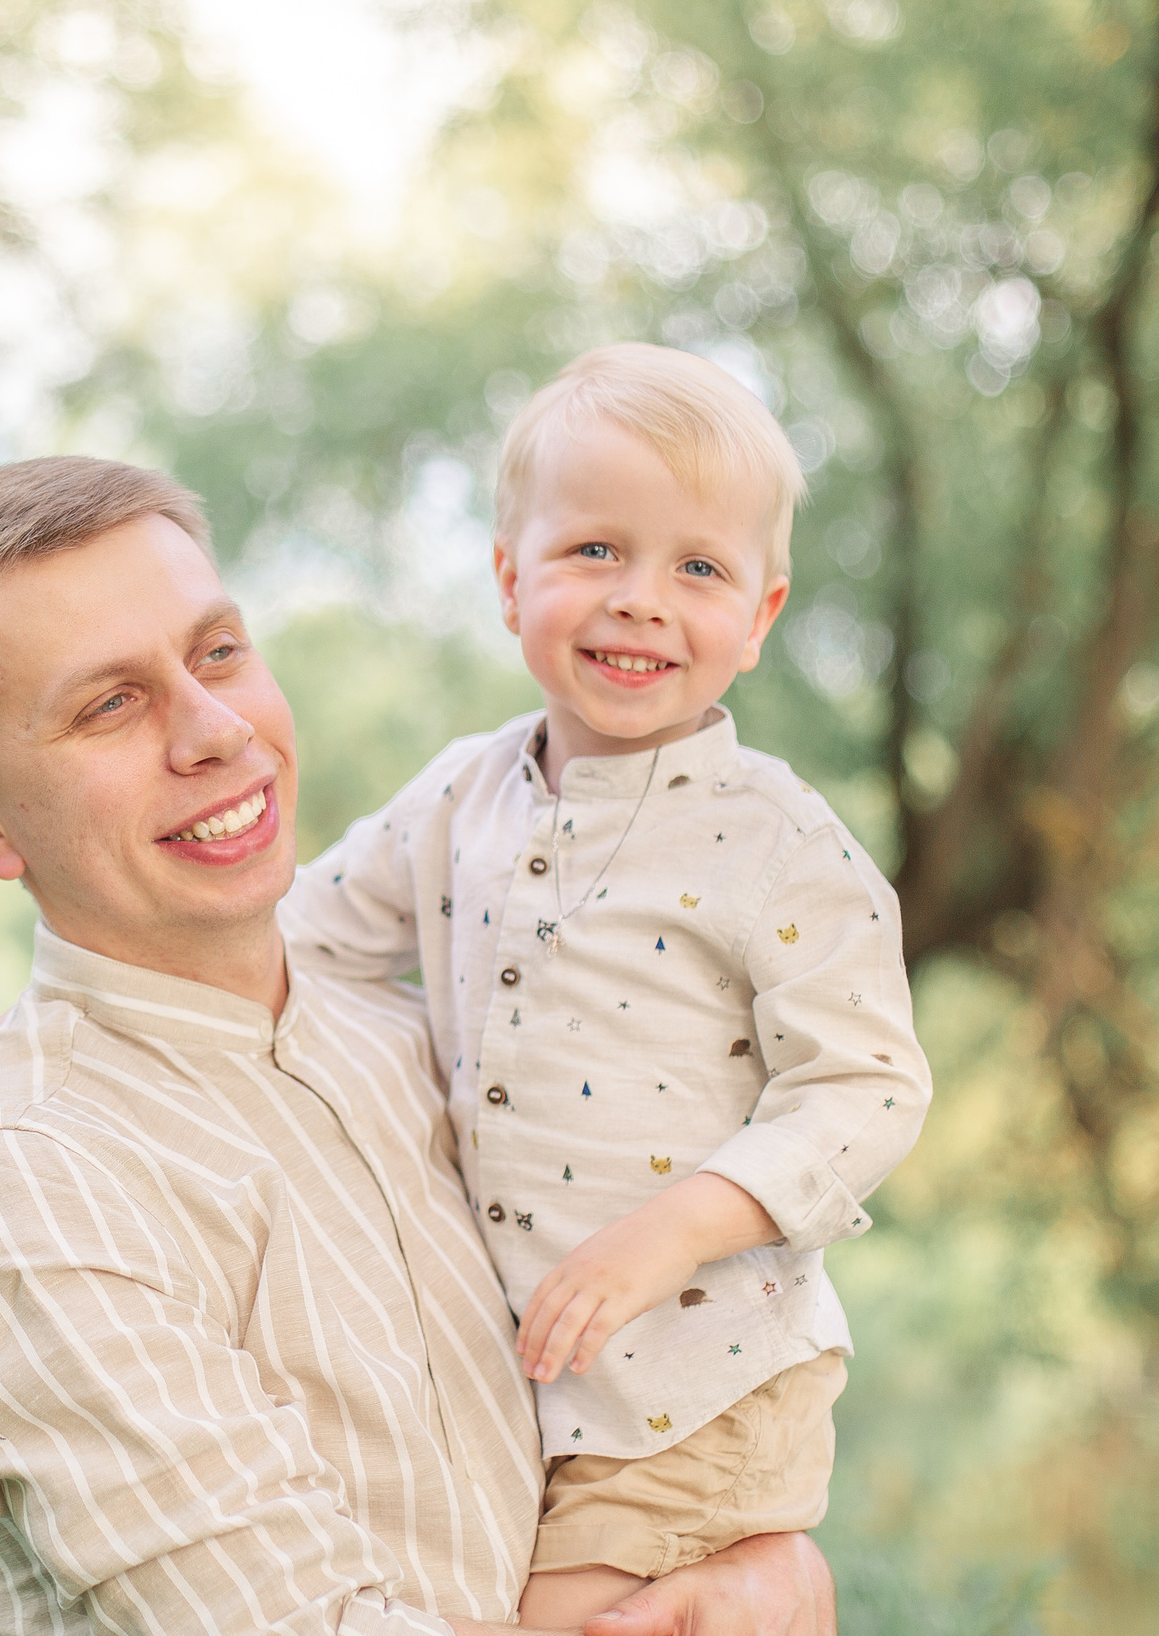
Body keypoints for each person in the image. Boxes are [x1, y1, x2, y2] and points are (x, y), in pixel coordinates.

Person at [0, 454, 837, 1635]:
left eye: (217, 653)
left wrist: (766, 1570)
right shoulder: (31, 1184)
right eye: (109, 704)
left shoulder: (414, 1039)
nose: (214, 730)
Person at [279, 346, 932, 1623]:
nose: (641, 599)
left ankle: (780, 1584)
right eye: (593, 552)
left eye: (697, 568)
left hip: (701, 1376)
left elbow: (868, 1087)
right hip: (541, 1380)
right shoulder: (459, 798)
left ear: (759, 616)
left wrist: (673, 1227)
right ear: (509, 577)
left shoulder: (776, 843)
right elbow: (304, 939)